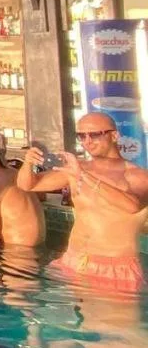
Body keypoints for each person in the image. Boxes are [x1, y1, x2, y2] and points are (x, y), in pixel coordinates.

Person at [18, 111, 148, 291]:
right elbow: (28, 186)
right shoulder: (79, 168)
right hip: (74, 260)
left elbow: (132, 206)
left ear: (114, 135)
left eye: (94, 134)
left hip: (114, 268)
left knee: (114, 320)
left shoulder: (135, 174)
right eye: (81, 136)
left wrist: (85, 176)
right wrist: (27, 163)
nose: (87, 141)